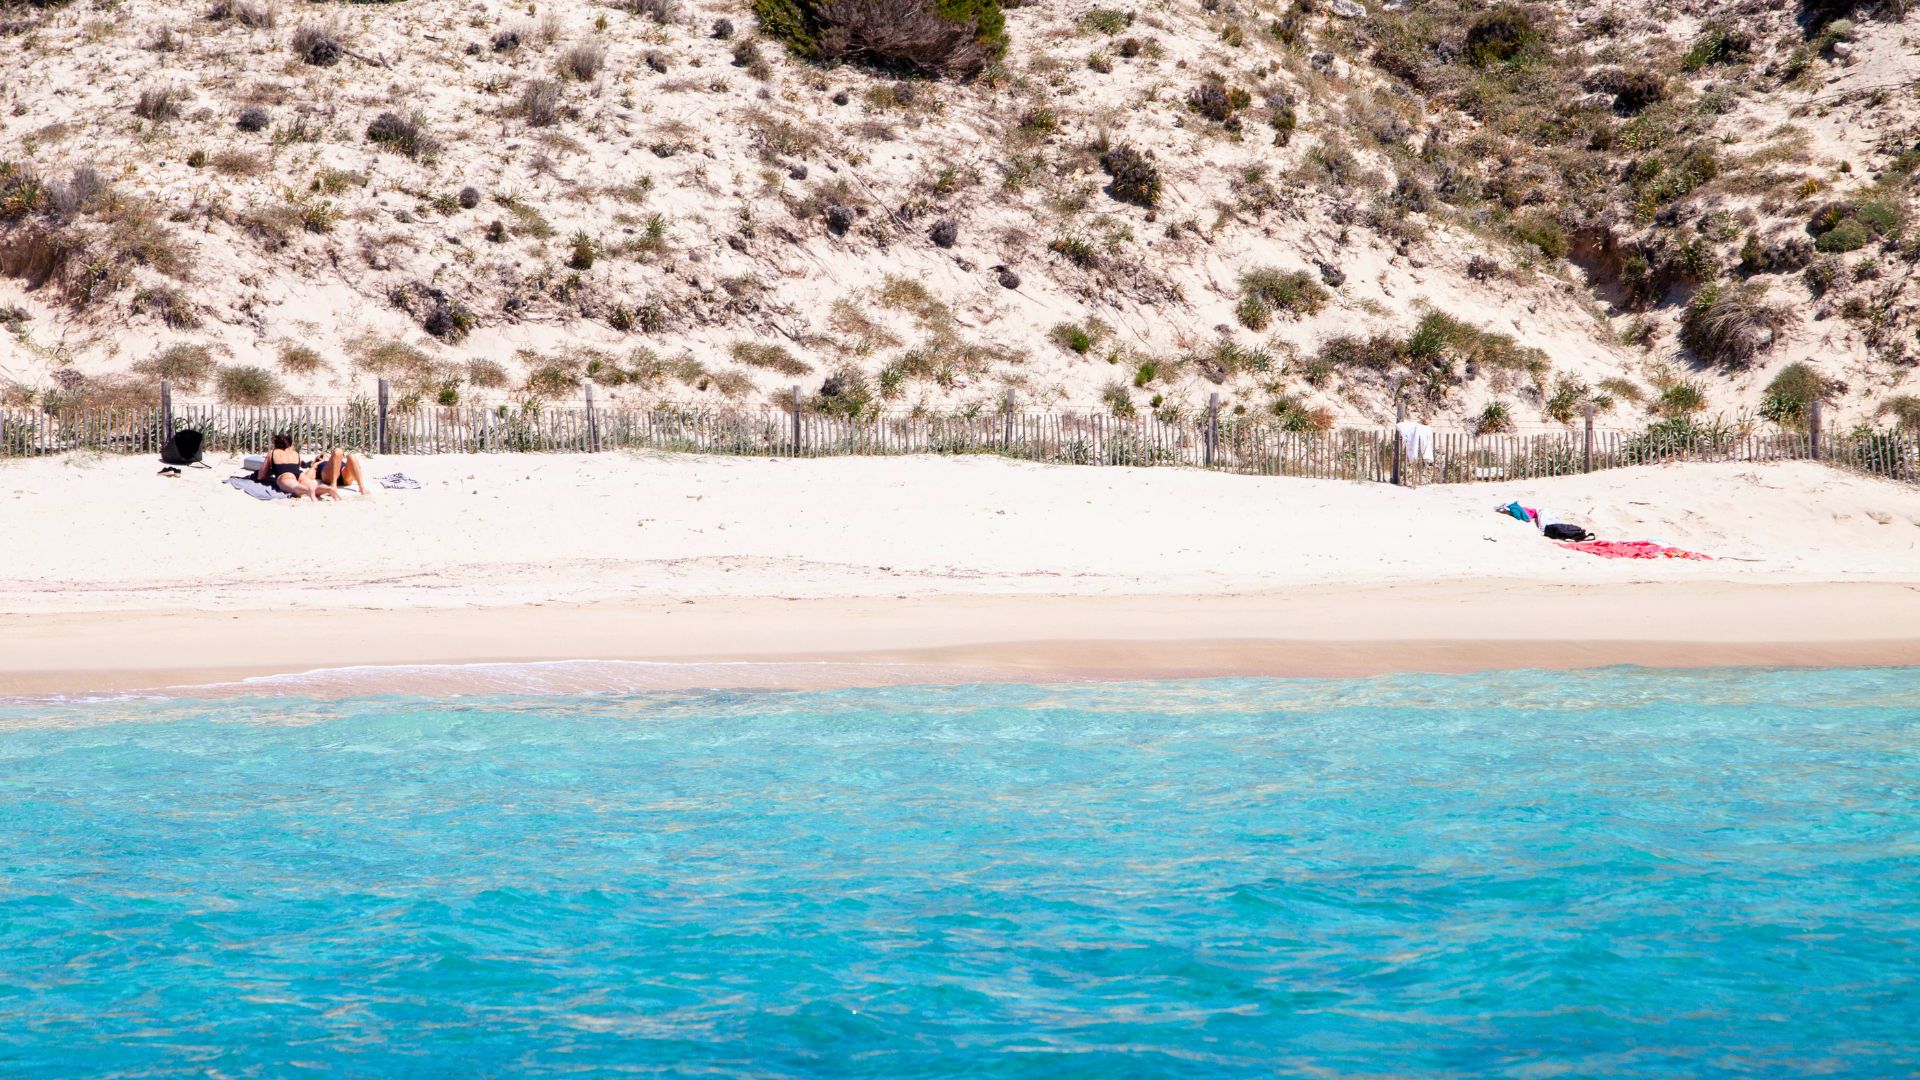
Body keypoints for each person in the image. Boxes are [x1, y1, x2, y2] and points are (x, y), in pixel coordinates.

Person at [254, 434, 338, 500]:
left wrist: (270, 472)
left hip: (285, 475)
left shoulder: (272, 452)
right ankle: (328, 489)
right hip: (300, 475)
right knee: (313, 487)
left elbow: (261, 475)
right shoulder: (295, 453)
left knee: (295, 487)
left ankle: (308, 491)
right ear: (289, 444)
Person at [306, 447, 372, 496]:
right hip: (329, 476)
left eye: (322, 455)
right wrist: (314, 465)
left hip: (344, 475)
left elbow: (355, 468)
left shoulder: (336, 458)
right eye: (319, 457)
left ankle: (362, 488)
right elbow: (307, 477)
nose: (321, 457)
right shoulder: (319, 464)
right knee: (338, 451)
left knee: (351, 456)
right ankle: (333, 486)